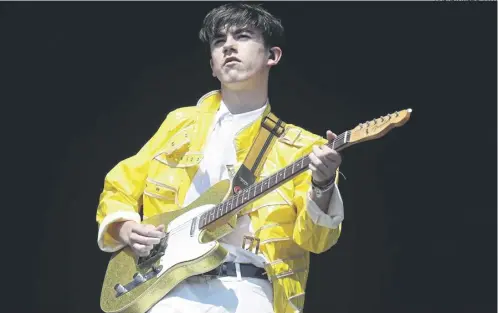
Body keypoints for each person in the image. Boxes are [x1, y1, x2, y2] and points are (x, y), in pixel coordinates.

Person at [96, 3, 345, 313]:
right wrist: (124, 228)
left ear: (272, 55)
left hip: (250, 290)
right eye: (218, 41)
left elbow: (317, 240)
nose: (228, 46)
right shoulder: (180, 124)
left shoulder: (302, 147)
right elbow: (120, 185)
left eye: (242, 36)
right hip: (168, 289)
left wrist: (322, 185)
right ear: (212, 65)